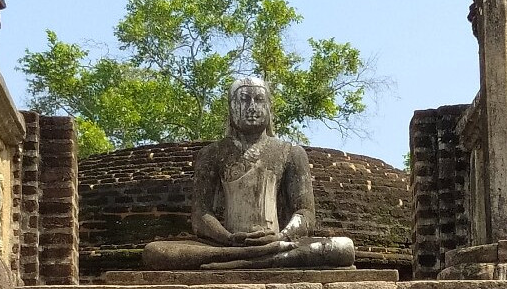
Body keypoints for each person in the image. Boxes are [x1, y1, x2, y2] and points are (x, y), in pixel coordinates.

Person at [142, 77, 355, 270]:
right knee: (155, 252)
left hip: (278, 241)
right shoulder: (212, 154)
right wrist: (228, 238)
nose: (252, 107)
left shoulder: (291, 152)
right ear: (231, 108)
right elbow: (200, 215)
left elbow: (305, 213)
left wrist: (281, 236)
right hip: (228, 244)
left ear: (269, 107)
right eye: (244, 100)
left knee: (344, 248)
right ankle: (256, 256)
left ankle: (254, 257)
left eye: (259, 100)